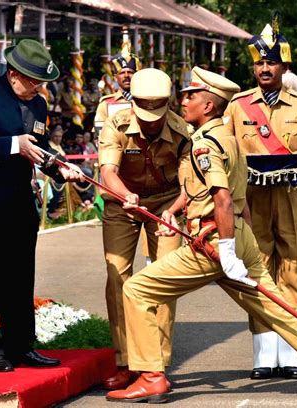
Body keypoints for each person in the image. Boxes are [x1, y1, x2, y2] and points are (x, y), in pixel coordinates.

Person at [105, 66, 297, 404]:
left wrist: (227, 248)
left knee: (136, 289)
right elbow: (239, 195)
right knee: (278, 309)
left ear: (208, 105)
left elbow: (221, 197)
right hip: (238, 235)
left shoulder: (204, 144)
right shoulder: (227, 137)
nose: (183, 100)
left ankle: (150, 375)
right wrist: (239, 239)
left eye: (191, 95)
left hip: (213, 242)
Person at [0, 39, 83, 372]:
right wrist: (14, 145)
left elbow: (40, 149)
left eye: (42, 82)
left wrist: (61, 168)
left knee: (19, 277)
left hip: (18, 204)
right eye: (33, 81)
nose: (38, 87)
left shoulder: (38, 105)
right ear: (13, 74)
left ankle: (20, 344)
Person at [223, 22, 297, 380]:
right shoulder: (238, 107)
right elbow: (224, 148)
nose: (264, 69)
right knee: (258, 270)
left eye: (271, 64)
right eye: (259, 64)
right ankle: (264, 351)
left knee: (293, 270)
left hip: (291, 196)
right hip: (252, 199)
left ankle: (292, 351)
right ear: (253, 68)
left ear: (284, 68)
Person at [98, 68, 190, 390]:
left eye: (157, 113)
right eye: (145, 112)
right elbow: (107, 170)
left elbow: (189, 184)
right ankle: (125, 362)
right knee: (118, 278)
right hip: (122, 204)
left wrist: (173, 212)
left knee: (165, 279)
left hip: (167, 207)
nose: (151, 121)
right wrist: (125, 195)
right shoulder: (117, 123)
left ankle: (156, 366)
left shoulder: (182, 132)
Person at [93, 52, 141, 132]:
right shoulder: (106, 104)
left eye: (130, 72)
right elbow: (99, 136)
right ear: (115, 78)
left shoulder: (147, 101)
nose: (126, 75)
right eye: (122, 73)